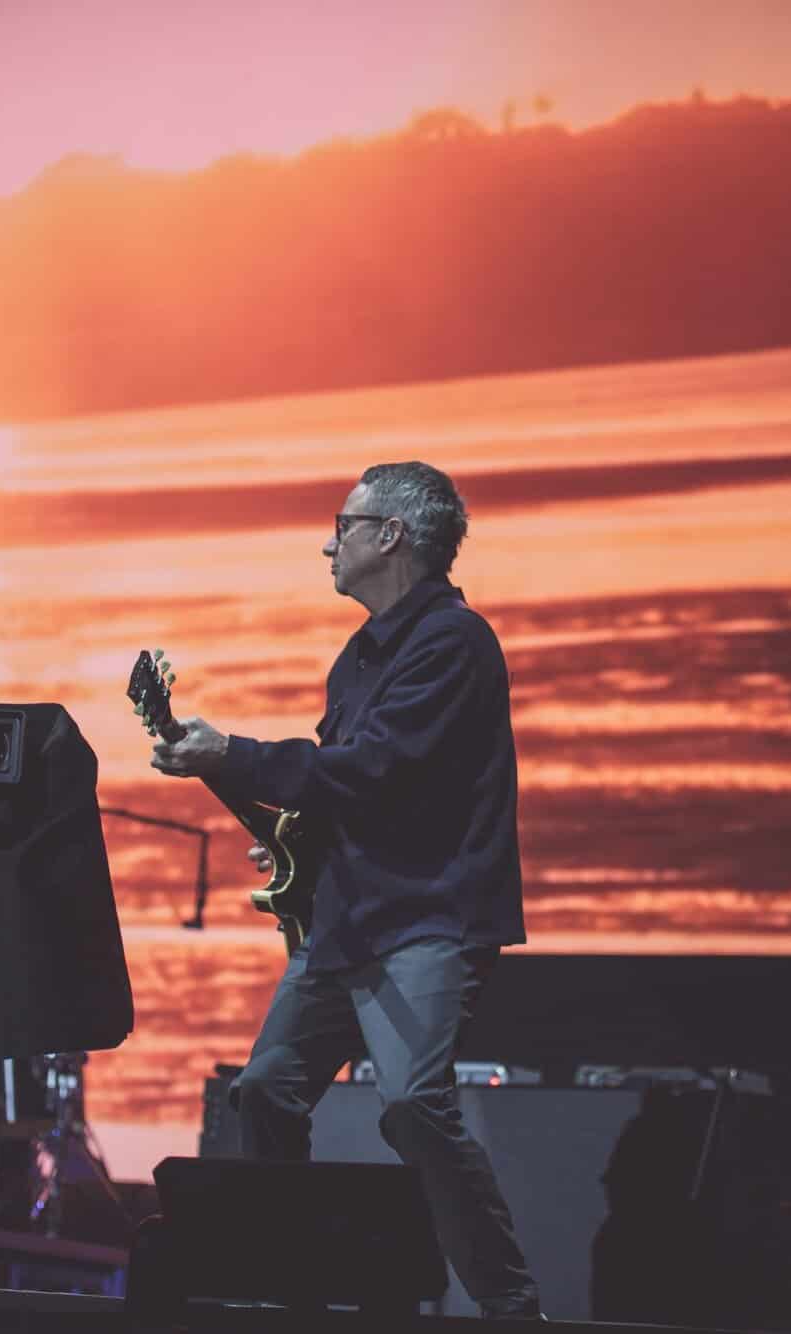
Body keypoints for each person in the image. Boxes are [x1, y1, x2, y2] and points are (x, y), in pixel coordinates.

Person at [149, 461, 541, 1319]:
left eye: (343, 525)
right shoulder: (358, 658)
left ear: (391, 535)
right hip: (349, 922)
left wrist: (231, 754)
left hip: (428, 921)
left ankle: (512, 1308)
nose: (328, 545)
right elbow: (349, 794)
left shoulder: (454, 643)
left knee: (413, 1106)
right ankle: (292, 1284)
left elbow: (374, 769)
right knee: (264, 1089)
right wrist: (296, 843)